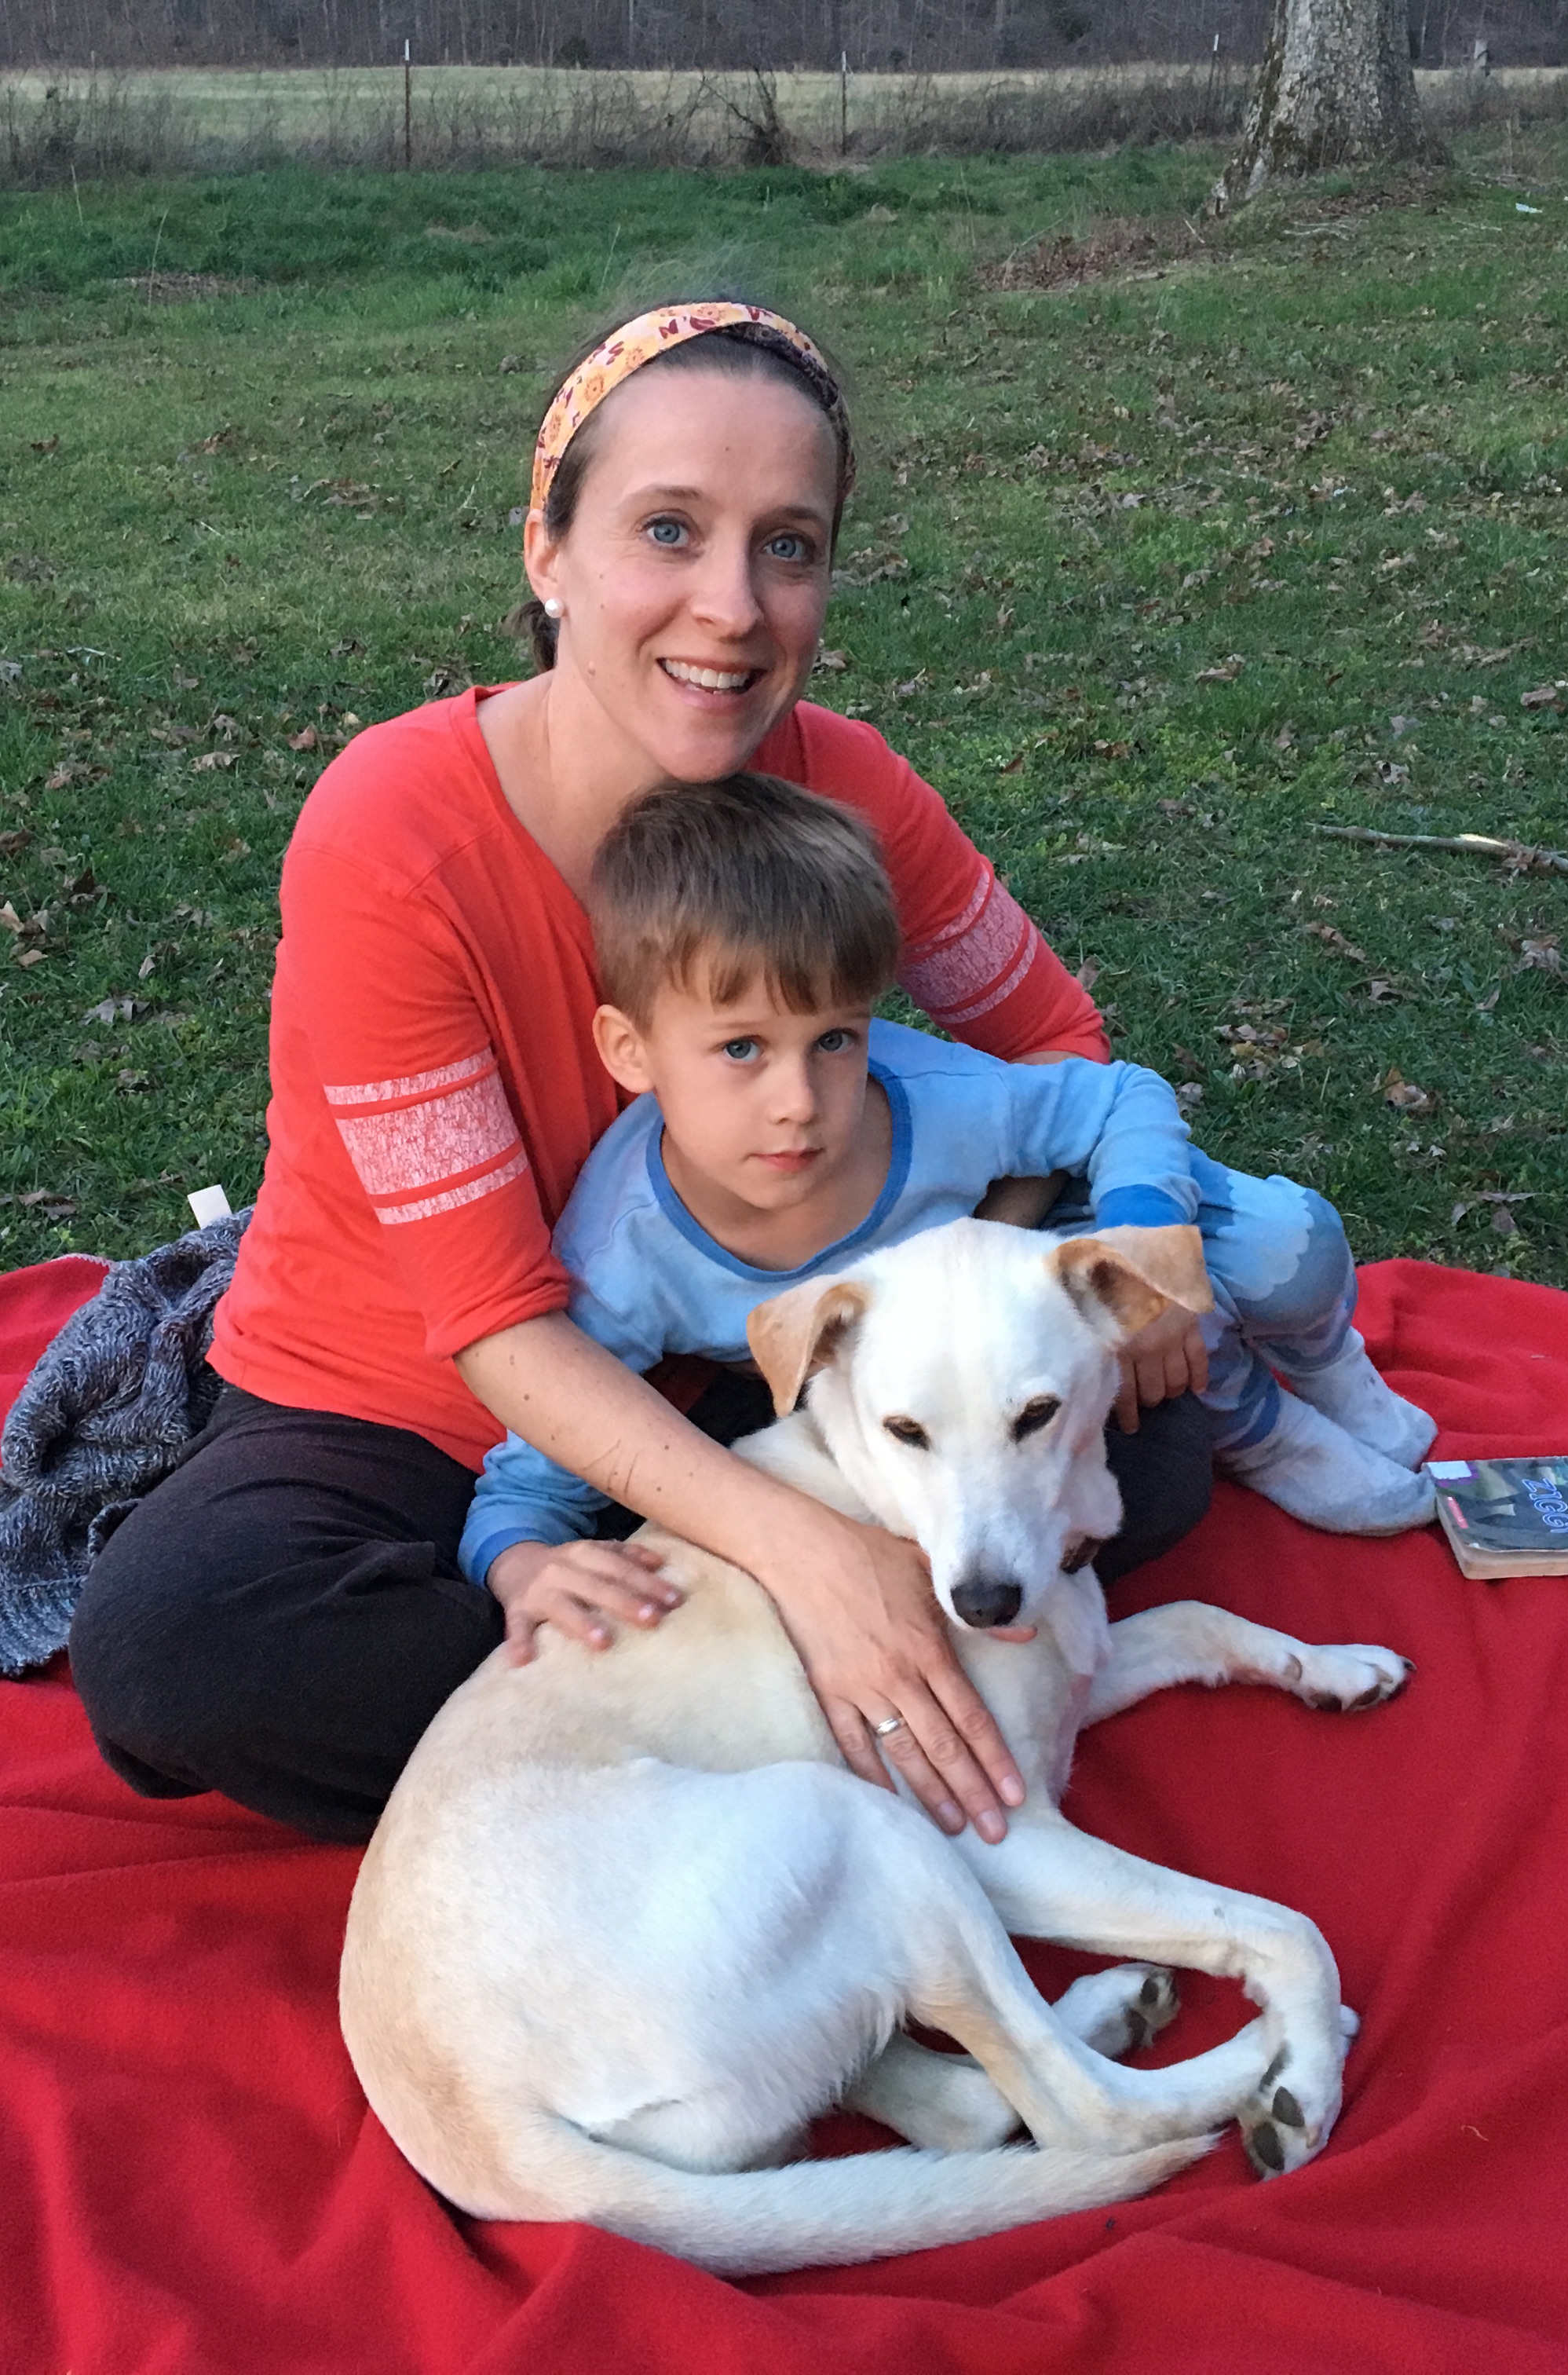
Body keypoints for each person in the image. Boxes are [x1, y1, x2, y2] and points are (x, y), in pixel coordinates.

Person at [70, 299, 1216, 1852]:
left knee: (1151, 1436)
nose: (730, 607)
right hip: (416, 1411)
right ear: (546, 552)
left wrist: (962, 1288)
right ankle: (767, 1699)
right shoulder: (393, 835)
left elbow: (1057, 1046)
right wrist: (807, 1557)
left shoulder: (847, 787)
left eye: (787, 546)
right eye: (668, 530)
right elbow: (494, 1321)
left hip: (773, 1355)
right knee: (185, 1645)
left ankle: (738, 1719)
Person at [459, 771, 1437, 1643]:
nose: (799, 1101)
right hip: (956, 1378)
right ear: (629, 1052)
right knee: (1135, 1425)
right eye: (741, 1048)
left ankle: (1330, 1368)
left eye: (835, 1040)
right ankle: (1260, 1428)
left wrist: (1141, 1235)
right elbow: (540, 1461)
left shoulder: (933, 1103)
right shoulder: (628, 1253)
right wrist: (517, 1560)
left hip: (1051, 1257)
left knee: (1287, 1246)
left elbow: (1119, 1098)